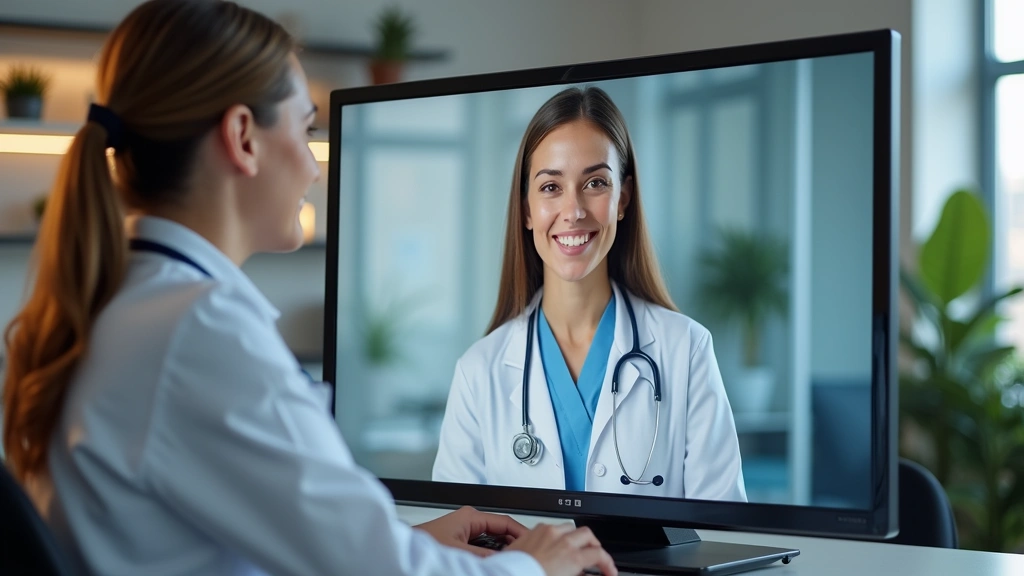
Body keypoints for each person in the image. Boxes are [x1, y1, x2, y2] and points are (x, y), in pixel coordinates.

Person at [0, 2, 617, 575]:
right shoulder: (200, 330)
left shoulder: (119, 304)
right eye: (304, 126)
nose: (314, 165)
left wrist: (412, 541)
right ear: (243, 138)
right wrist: (535, 564)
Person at [432, 86, 746, 502]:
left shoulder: (686, 351)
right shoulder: (479, 372)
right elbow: (456, 548)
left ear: (624, 198)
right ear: (526, 209)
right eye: (550, 187)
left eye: (595, 182)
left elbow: (723, 535)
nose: (574, 210)